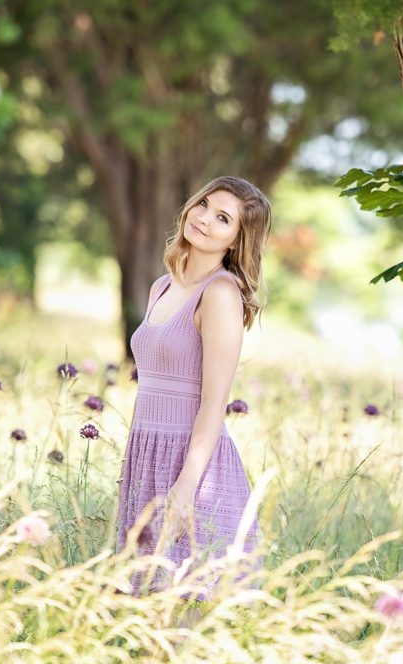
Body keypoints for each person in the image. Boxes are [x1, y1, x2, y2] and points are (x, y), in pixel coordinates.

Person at [114, 175, 272, 623]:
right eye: (205, 205)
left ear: (236, 240)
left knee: (180, 626)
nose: (204, 219)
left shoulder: (220, 295)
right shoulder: (161, 287)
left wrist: (185, 488)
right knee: (144, 624)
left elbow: (212, 403)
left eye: (223, 219)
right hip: (147, 457)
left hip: (193, 471)